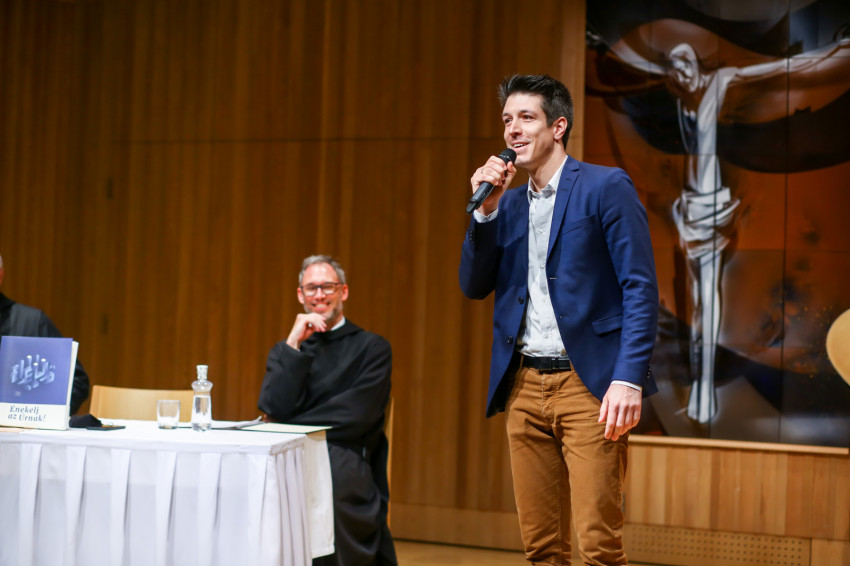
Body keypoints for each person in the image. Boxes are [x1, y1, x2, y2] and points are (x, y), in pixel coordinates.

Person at [459, 75, 659, 565]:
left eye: (526, 117)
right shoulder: (506, 204)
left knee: (597, 547)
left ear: (558, 126)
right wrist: (484, 213)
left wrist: (628, 379)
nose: (512, 129)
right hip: (524, 385)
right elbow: (473, 285)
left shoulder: (604, 186)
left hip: (588, 385)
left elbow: (640, 288)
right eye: (507, 119)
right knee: (541, 548)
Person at [258, 255, 396, 566]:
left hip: (342, 455)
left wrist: (286, 423)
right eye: (311, 288)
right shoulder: (287, 350)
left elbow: (357, 416)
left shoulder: (372, 348)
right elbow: (272, 406)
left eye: (327, 287)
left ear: (343, 291)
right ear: (300, 295)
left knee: (337, 480)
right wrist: (293, 343)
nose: (319, 295)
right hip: (289, 456)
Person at [0, 252, 90, 415]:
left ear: (0, 275)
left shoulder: (33, 322)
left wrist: (43, 416)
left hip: (18, 426)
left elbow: (76, 382)